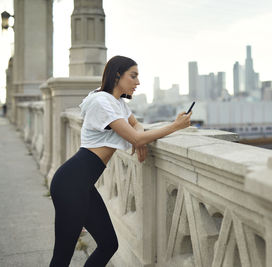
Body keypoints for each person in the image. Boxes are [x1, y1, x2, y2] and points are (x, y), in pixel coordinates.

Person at [49, 55, 192, 266]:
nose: (138, 82)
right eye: (133, 76)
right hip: (70, 183)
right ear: (117, 75)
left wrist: (141, 141)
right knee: (62, 256)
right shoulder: (101, 101)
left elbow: (137, 128)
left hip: (83, 185)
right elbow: (134, 135)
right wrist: (174, 126)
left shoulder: (118, 104)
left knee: (108, 244)